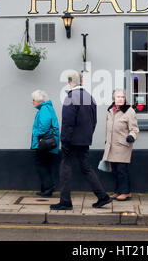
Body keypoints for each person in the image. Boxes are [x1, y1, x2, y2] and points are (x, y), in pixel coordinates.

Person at [50, 70, 112, 210]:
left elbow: (67, 122)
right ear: (82, 81)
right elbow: (94, 121)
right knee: (86, 168)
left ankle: (65, 202)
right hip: (84, 140)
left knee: (65, 167)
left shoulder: (71, 97)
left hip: (71, 140)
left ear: (69, 81)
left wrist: (64, 140)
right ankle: (102, 196)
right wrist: (87, 136)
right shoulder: (90, 98)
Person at [102, 89, 139, 201]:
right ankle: (118, 191)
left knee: (122, 170)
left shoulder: (129, 111)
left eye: (122, 97)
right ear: (114, 99)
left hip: (123, 145)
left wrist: (131, 136)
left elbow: (135, 128)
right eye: (118, 97)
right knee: (115, 170)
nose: (120, 99)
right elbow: (108, 128)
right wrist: (106, 140)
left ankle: (126, 192)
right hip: (111, 146)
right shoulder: (110, 110)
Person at [31, 90, 60, 197]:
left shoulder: (44, 109)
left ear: (39, 100)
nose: (32, 102)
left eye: (33, 100)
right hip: (48, 143)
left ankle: (48, 188)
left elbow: (44, 126)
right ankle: (46, 189)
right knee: (45, 165)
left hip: (44, 143)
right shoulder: (47, 108)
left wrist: (37, 135)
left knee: (41, 165)